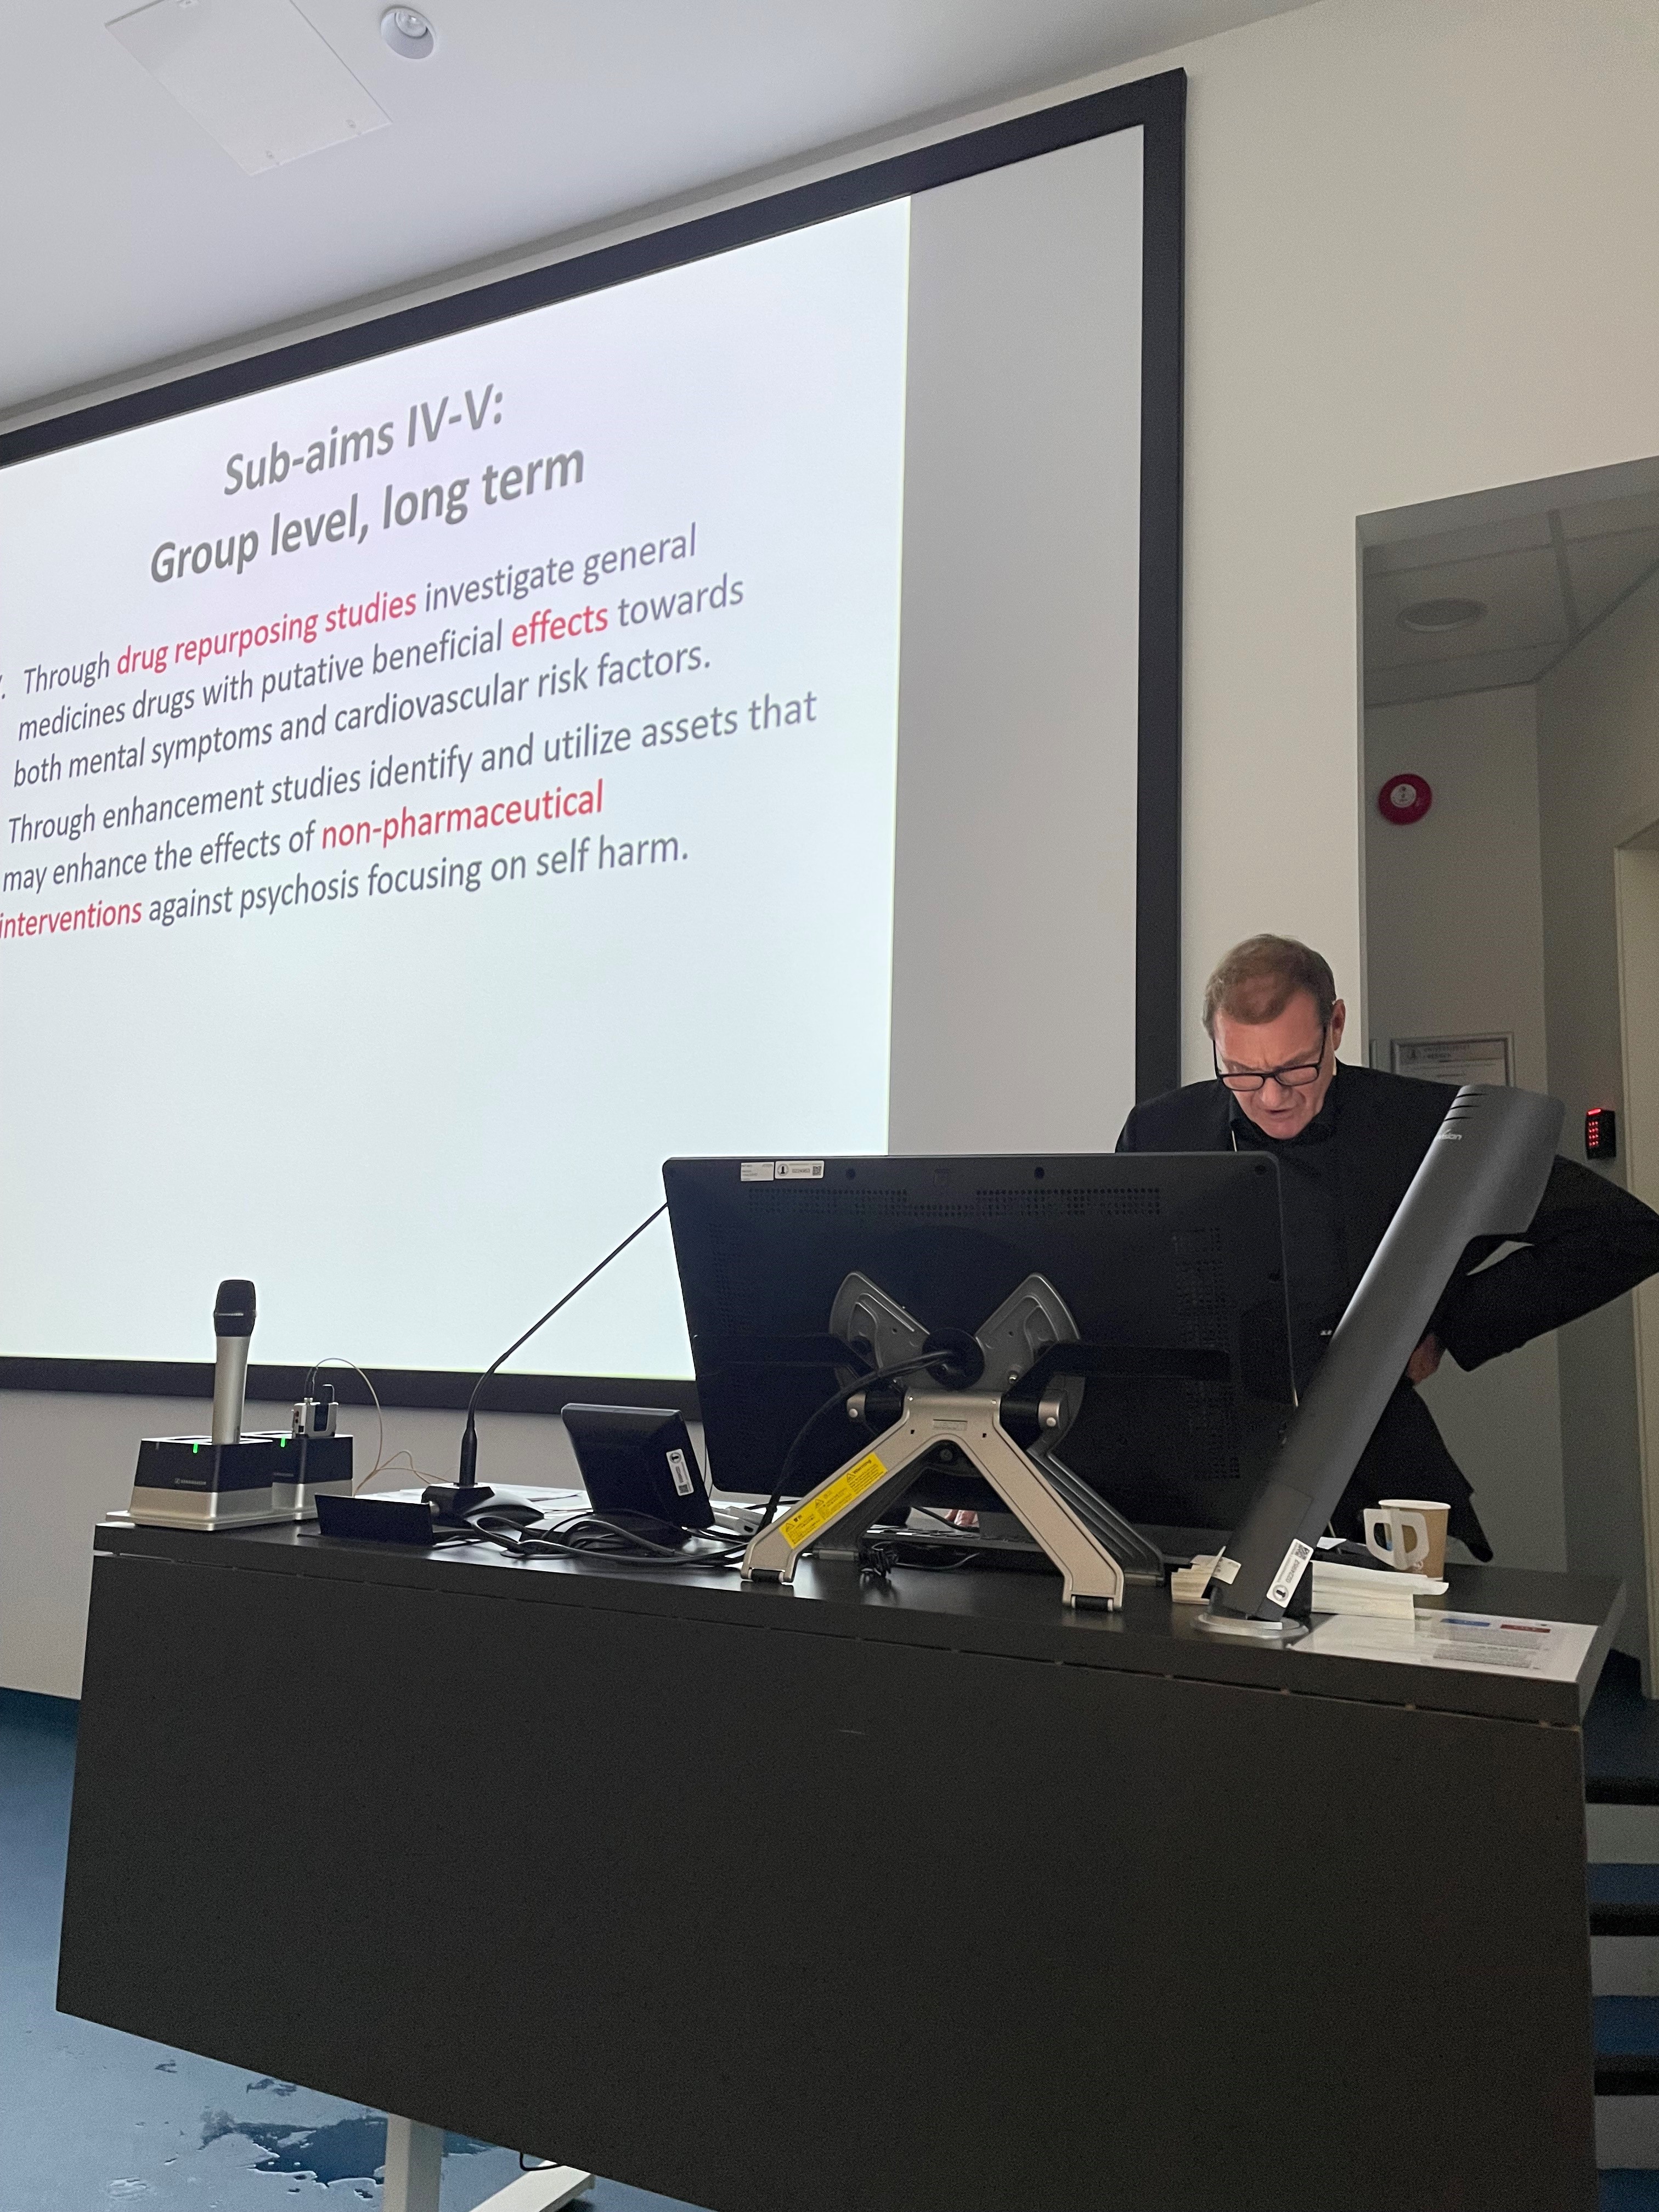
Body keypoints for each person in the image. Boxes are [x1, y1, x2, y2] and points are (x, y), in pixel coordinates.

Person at [1116, 933, 1659, 1558]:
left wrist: (1448, 1324)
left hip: (1373, 1479)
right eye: (1241, 1072)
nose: (1271, 1096)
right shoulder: (1160, 1131)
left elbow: (1623, 1234)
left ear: (1336, 1026)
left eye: (1295, 1068)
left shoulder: (1427, 1125)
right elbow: (1122, 1293)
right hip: (1194, 1484)